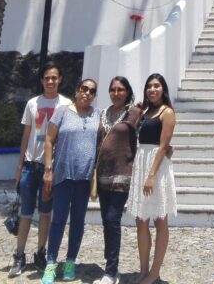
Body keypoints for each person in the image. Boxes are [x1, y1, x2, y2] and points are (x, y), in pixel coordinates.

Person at [9, 62, 70, 277]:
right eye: (47, 78)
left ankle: (41, 253)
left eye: (54, 78)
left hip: (50, 168)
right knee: (25, 212)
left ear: (60, 79)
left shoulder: (66, 105)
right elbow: (26, 135)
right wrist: (19, 166)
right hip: (30, 165)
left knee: (45, 213)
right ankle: (19, 255)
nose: (50, 81)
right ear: (42, 80)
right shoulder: (32, 103)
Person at [41, 78, 101, 284]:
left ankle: (70, 262)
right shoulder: (63, 112)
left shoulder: (97, 115)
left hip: (84, 178)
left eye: (92, 91)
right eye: (84, 88)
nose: (87, 93)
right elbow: (49, 140)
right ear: (77, 90)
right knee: (58, 220)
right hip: (63, 174)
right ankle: (51, 263)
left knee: (77, 222)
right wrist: (48, 169)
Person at [92, 76, 142, 284]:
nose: (116, 93)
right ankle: (110, 267)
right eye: (112, 89)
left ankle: (111, 272)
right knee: (106, 222)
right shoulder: (104, 113)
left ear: (128, 91)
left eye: (120, 89)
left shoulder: (134, 111)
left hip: (122, 175)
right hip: (103, 175)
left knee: (113, 220)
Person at [127, 72, 177, 284]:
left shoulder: (167, 112)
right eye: (149, 86)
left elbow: (164, 146)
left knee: (160, 219)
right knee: (140, 220)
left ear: (163, 89)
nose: (153, 89)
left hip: (156, 168)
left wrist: (151, 175)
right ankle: (143, 269)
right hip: (142, 163)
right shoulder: (145, 112)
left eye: (156, 86)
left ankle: (155, 272)